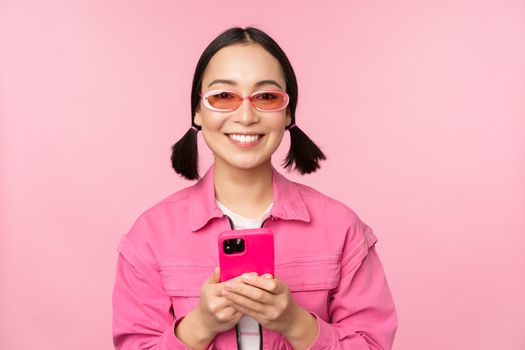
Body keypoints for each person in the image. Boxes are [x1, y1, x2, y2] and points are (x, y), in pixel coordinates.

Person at [112, 26, 398, 350]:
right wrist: (200, 325)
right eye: (223, 96)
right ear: (197, 110)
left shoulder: (343, 229)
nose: (246, 116)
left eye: (266, 97)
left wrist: (294, 322)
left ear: (287, 112)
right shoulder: (150, 236)